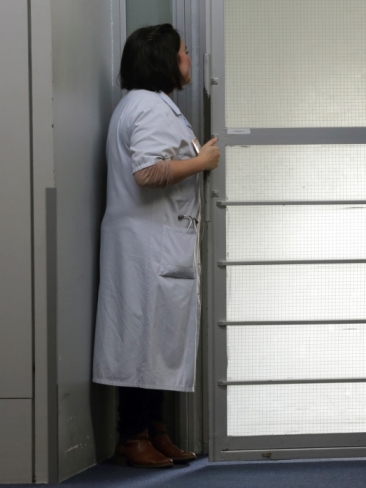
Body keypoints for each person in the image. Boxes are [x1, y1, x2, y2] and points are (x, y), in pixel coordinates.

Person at [92, 24, 220, 468]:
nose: (188, 60)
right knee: (142, 340)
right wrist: (200, 162)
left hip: (154, 242)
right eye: (184, 53)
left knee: (156, 338)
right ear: (166, 61)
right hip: (145, 245)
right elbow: (147, 174)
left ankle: (155, 430)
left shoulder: (153, 105)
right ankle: (133, 436)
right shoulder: (148, 108)